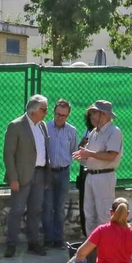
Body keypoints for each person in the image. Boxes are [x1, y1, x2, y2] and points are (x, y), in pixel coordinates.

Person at [1, 94, 50, 258]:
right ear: (34, 110)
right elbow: (8, 154)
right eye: (44, 110)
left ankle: (33, 242)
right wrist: (13, 178)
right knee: (17, 210)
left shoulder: (42, 126)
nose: (46, 113)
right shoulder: (16, 126)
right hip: (22, 176)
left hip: (40, 173)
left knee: (36, 210)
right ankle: (11, 245)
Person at [73, 99, 123, 235]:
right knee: (89, 213)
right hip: (90, 175)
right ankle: (92, 244)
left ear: (104, 114)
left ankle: (105, 245)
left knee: (104, 214)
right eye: (91, 113)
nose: (91, 116)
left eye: (94, 113)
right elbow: (91, 155)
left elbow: (111, 155)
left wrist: (89, 153)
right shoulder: (93, 132)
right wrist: (83, 155)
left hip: (105, 176)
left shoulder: (114, 131)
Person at [43, 99, 79, 250]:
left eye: (63, 115)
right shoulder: (45, 128)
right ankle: (47, 239)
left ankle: (58, 239)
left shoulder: (72, 131)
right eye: (58, 114)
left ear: (68, 115)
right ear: (53, 112)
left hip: (64, 172)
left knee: (59, 207)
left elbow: (74, 151)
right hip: (47, 172)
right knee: (47, 206)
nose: (60, 117)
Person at [75, 106, 98, 240]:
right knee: (85, 205)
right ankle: (87, 235)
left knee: (98, 206)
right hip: (85, 170)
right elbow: (79, 152)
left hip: (98, 171)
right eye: (90, 116)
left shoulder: (107, 132)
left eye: (95, 115)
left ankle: (98, 237)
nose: (92, 118)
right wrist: (82, 144)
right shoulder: (88, 131)